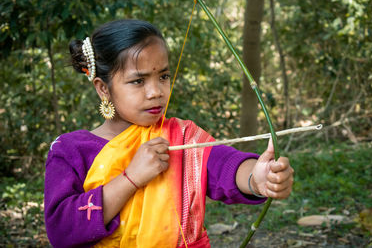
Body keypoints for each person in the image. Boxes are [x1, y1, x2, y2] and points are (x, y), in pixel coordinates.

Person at [44, 19, 294, 248]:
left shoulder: (181, 136)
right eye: (138, 81)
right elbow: (61, 230)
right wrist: (131, 178)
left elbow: (222, 164)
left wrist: (257, 178)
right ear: (103, 89)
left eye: (163, 76)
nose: (156, 91)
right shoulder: (71, 149)